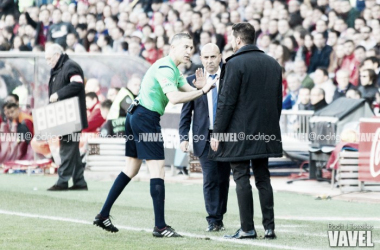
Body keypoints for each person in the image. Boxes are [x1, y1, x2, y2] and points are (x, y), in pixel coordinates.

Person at [93, 33, 216, 237]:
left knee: (131, 169)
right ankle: (160, 226)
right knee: (158, 169)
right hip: (145, 118)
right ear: (173, 47)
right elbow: (176, 98)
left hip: (135, 115)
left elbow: (190, 91)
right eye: (185, 47)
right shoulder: (166, 68)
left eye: (191, 48)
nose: (189, 51)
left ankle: (103, 214)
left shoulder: (172, 69)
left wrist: (201, 88)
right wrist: (203, 91)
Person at [209, 23, 282, 240]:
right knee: (263, 178)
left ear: (238, 40)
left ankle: (247, 228)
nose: (231, 42)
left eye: (232, 38)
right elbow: (277, 102)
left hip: (239, 134)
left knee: (241, 177)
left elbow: (226, 102)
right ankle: (269, 227)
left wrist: (217, 133)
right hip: (265, 132)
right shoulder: (273, 64)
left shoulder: (234, 63)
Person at [179, 43, 231, 232]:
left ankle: (219, 214)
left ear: (220, 57)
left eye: (213, 57)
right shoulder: (192, 80)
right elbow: (186, 112)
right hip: (203, 136)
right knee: (209, 178)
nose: (209, 61)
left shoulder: (229, 79)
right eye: (206, 57)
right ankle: (213, 219)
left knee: (224, 179)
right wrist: (183, 136)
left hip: (226, 136)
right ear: (201, 59)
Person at [45, 44, 88, 191]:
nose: (48, 62)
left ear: (57, 55)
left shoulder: (70, 66)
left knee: (66, 148)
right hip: (65, 117)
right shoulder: (58, 69)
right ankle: (79, 181)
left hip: (72, 117)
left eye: (49, 58)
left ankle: (62, 181)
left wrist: (58, 94)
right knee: (72, 150)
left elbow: (77, 85)